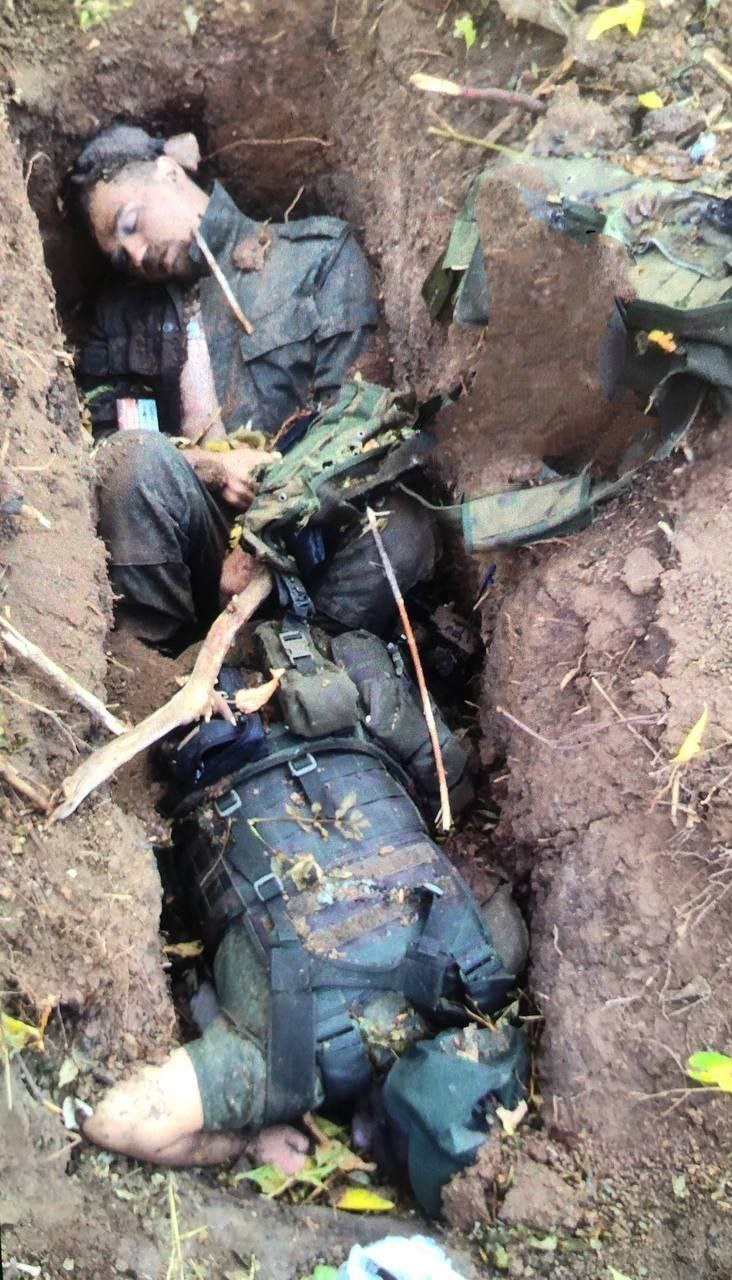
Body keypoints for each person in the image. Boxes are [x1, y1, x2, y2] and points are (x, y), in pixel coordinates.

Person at [81, 620, 530, 1214]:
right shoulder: (284, 1069)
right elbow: (118, 1120)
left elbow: (471, 848)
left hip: (303, 683)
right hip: (193, 719)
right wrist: (245, 1140)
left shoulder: (487, 960)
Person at [70, 126, 437, 646]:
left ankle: (298, 656)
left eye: (129, 223)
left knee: (401, 529)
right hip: (194, 542)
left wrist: (263, 531)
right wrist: (213, 467)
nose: (132, 252)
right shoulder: (119, 315)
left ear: (169, 173)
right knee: (134, 463)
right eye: (117, 252)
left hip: (309, 532)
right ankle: (150, 665)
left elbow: (357, 420)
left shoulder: (316, 257)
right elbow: (104, 445)